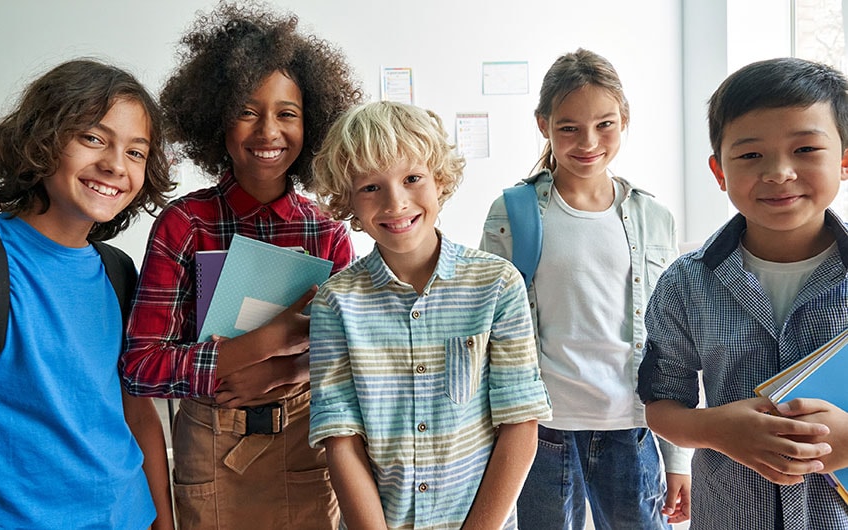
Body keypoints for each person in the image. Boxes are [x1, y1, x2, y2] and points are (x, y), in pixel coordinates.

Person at [119, 3, 363, 529]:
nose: (268, 131)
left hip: (306, 445)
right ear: (216, 120)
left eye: (287, 113)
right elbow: (141, 367)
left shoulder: (327, 231)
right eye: (247, 111)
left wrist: (288, 369)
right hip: (210, 449)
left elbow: (353, 355)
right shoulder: (184, 224)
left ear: (312, 122)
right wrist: (259, 347)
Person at [0, 58, 175, 529]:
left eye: (136, 152)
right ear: (42, 139)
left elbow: (137, 412)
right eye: (92, 138)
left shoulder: (119, 272)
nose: (114, 165)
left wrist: (163, 522)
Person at [308, 100, 552, 529]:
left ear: (439, 180)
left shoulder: (498, 285)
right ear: (348, 200)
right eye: (370, 188)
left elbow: (519, 424)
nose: (395, 202)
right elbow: (341, 440)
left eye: (412, 178)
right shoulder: (335, 302)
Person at [480, 48, 692, 529]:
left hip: (633, 426)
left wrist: (678, 460)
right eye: (568, 127)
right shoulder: (511, 213)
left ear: (625, 120)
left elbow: (673, 344)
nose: (588, 142)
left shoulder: (653, 218)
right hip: (542, 429)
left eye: (605, 124)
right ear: (544, 125)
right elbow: (489, 333)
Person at [638, 57, 848, 529]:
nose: (778, 172)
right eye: (751, 155)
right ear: (719, 171)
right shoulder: (686, 284)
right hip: (730, 514)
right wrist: (718, 429)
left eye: (806, 149)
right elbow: (661, 404)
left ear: (844, 159)